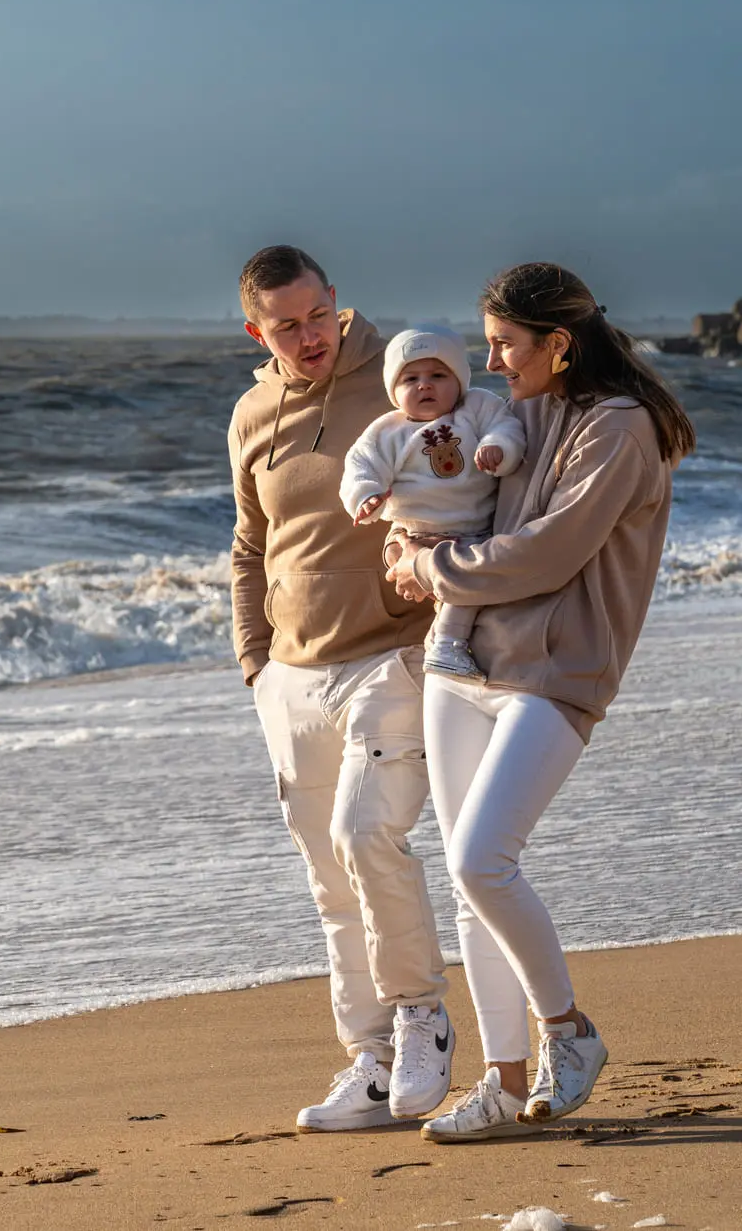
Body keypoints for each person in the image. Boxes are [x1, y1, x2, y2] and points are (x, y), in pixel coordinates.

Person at [381, 262, 697, 1143]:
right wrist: (404, 537)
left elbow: (549, 553)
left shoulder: (620, 427)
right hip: (461, 662)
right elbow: (449, 488)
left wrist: (430, 566)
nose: (490, 362)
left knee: (483, 859)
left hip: (557, 674)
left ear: (558, 343)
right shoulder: (519, 411)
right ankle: (502, 1079)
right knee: (469, 885)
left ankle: (568, 1030)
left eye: (504, 344)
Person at [229, 245, 456, 1131]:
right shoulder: (252, 413)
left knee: (368, 838)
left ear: (336, 301)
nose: (310, 335)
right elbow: (250, 545)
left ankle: (421, 1018)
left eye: (319, 314)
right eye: (287, 325)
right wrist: (256, 663)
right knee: (328, 875)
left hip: (391, 657)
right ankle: (369, 1057)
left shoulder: (397, 380)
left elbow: (474, 482)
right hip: (292, 675)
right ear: (258, 332)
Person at [339, 327, 526, 680]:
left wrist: (498, 448)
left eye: (438, 376)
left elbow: (507, 428)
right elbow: (360, 466)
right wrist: (366, 497)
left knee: (464, 581)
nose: (424, 386)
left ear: (459, 380)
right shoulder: (386, 431)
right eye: (410, 379)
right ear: (393, 389)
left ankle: (444, 644)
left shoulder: (477, 406)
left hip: (470, 530)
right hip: (409, 533)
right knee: (450, 580)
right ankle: (447, 644)